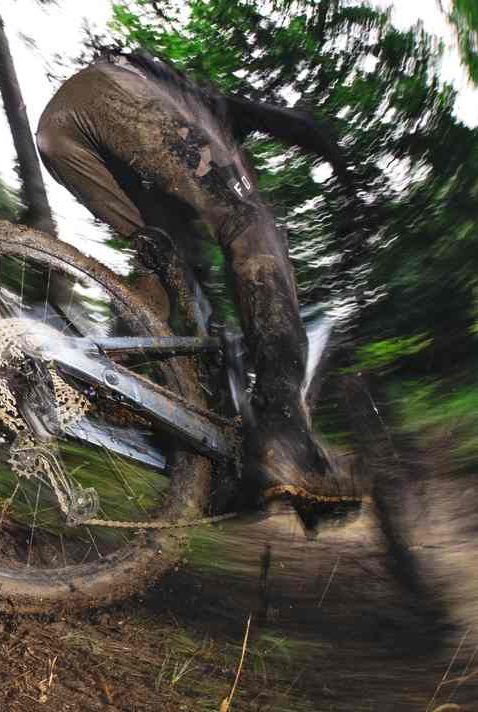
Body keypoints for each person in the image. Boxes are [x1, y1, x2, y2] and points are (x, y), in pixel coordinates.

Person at [35, 49, 360, 527]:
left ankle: (110, 388)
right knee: (249, 224)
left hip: (61, 133)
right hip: (111, 98)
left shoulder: (174, 177)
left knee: (173, 275)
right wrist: (349, 182)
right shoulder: (207, 110)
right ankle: (285, 432)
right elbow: (297, 125)